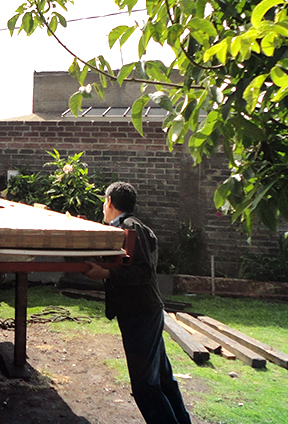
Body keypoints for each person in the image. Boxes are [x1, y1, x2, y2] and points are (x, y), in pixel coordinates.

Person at [84, 181, 191, 424]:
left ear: (109, 201)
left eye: (104, 200)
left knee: (145, 387)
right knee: (163, 379)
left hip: (140, 313)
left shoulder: (131, 228)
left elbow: (144, 273)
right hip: (143, 312)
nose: (103, 205)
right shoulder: (125, 228)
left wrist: (106, 274)